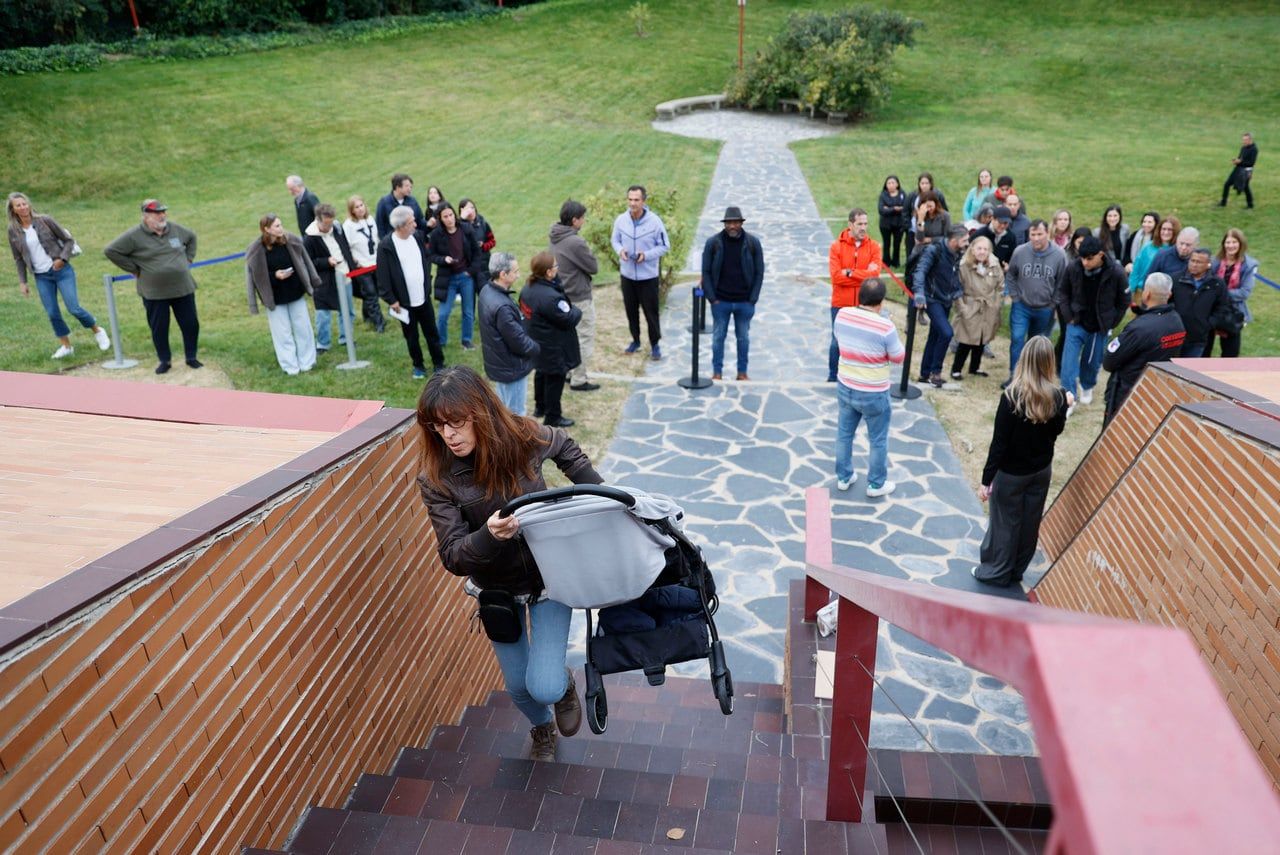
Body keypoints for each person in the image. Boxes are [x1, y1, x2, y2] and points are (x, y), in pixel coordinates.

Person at [415, 366, 599, 762]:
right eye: (438, 427)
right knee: (518, 686)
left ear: (480, 412)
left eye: (457, 423)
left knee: (545, 686)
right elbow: (452, 554)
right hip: (496, 589)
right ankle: (541, 727)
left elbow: (564, 445)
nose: (449, 435)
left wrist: (601, 498)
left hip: (549, 576)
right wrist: (488, 535)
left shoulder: (520, 436)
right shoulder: (437, 478)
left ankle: (563, 685)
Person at [973, 336, 1070, 588]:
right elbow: (1056, 431)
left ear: (1024, 360)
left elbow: (999, 444)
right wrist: (1064, 409)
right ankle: (1016, 571)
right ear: (1050, 362)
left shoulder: (1012, 397)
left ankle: (995, 571)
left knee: (1005, 523)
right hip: (1041, 471)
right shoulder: (1058, 396)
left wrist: (986, 480)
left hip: (1011, 474)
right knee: (1030, 523)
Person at [7, 191, 110, 359]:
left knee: (74, 308)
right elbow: (18, 258)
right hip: (41, 277)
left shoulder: (45, 220)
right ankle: (66, 346)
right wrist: (22, 282)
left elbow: (68, 240)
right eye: (18, 205)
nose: (23, 207)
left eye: (24, 203)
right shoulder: (13, 231)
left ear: (29, 204)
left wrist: (62, 259)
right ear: (13, 210)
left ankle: (97, 330)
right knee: (52, 313)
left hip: (61, 271)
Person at [104, 199, 201, 374]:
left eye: (163, 211)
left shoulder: (176, 229)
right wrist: (133, 269)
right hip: (154, 292)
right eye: (157, 213)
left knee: (190, 324)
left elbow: (192, 237)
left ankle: (191, 357)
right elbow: (111, 251)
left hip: (182, 288)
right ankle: (165, 360)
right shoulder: (134, 236)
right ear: (146, 216)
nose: (162, 215)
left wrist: (189, 258)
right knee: (159, 327)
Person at [833, 277, 904, 498]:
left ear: (859, 296)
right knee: (878, 439)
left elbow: (839, 340)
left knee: (844, 434)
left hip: (846, 384)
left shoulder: (842, 315)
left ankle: (844, 477)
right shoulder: (885, 326)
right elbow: (898, 357)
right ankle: (875, 484)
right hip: (873, 391)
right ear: (880, 302)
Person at [1056, 236, 1129, 411]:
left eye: (1089, 258)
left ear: (1100, 255)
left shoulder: (1116, 272)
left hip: (1099, 327)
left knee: (1091, 362)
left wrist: (1111, 322)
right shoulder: (1073, 267)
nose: (1085, 262)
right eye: (1082, 258)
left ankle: (1087, 386)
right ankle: (1069, 399)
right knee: (1068, 363)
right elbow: (1063, 292)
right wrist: (1068, 316)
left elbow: (1124, 300)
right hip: (1076, 322)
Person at [1102, 273, 1185, 425]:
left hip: (1127, 394)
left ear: (1146, 294)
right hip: (1155, 392)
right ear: (1169, 294)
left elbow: (1109, 361)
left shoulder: (1139, 328)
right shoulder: (1177, 321)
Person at [245, 214, 320, 375]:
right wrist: (275, 276)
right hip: (275, 297)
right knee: (282, 333)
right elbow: (252, 278)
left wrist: (313, 281)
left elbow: (305, 261)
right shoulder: (256, 250)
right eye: (277, 226)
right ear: (267, 229)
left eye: (281, 224)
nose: (281, 228)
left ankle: (307, 362)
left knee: (303, 329)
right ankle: (290, 366)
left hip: (295, 292)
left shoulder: (291, 240)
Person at [376, 205, 445, 379]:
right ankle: (418, 365)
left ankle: (439, 363)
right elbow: (383, 276)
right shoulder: (386, 246)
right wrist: (391, 300)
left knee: (432, 332)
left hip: (423, 297)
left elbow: (426, 259)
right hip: (404, 302)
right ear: (400, 226)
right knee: (411, 336)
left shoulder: (418, 237)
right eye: (411, 221)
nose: (415, 224)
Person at [702, 206, 765, 381]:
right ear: (725, 224)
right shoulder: (713, 243)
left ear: (741, 223)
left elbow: (760, 272)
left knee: (743, 338)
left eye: (735, 222)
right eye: (729, 222)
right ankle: (717, 372)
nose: (732, 226)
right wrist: (712, 298)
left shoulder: (752, 243)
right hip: (720, 301)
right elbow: (705, 271)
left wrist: (753, 299)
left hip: (744, 301)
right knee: (718, 338)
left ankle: (742, 372)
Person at [520, 251, 582, 428]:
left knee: (540, 373)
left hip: (536, 342)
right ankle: (553, 416)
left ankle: (540, 407)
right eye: (555, 266)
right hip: (553, 347)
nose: (557, 268)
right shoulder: (551, 297)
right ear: (548, 272)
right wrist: (576, 310)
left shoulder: (527, 288)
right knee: (555, 379)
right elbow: (569, 318)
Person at [1003, 219, 1067, 383]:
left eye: (1040, 234)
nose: (1036, 238)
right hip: (1022, 306)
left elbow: (1062, 283)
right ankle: (1014, 377)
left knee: (1036, 345)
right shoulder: (1020, 251)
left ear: (1047, 234)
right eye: (1033, 234)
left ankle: (1031, 379)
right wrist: (1015, 297)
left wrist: (1053, 304)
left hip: (1045, 308)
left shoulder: (1059, 255)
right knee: (1017, 339)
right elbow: (1011, 275)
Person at [611, 185, 669, 360]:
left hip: (648, 277)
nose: (632, 203)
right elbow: (615, 240)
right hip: (627, 275)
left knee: (651, 312)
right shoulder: (621, 220)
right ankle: (635, 340)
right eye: (630, 199)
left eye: (636, 200)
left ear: (644, 201)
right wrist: (620, 250)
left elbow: (665, 246)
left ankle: (655, 344)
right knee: (631, 310)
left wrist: (647, 256)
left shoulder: (655, 222)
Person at [478, 252, 539, 414]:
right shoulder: (502, 306)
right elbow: (517, 340)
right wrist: (535, 348)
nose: (519, 275)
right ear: (503, 274)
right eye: (515, 271)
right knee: (516, 414)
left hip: (499, 364)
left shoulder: (486, 290)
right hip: (511, 368)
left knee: (504, 410)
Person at [549, 199, 600, 391]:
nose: (584, 221)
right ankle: (579, 378)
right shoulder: (576, 241)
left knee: (568, 337)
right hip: (579, 296)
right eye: (582, 218)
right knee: (584, 336)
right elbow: (593, 267)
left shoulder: (555, 235)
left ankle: (569, 372)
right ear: (574, 220)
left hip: (563, 295)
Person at [827, 208, 883, 382]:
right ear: (850, 224)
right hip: (841, 303)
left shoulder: (874, 247)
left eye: (866, 223)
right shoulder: (836, 247)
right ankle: (833, 376)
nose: (863, 227)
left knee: (863, 342)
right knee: (837, 341)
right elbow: (836, 277)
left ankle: (857, 376)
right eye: (860, 224)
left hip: (864, 304)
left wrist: (850, 273)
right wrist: (863, 275)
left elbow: (874, 276)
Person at [912, 225, 969, 388]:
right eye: (964, 240)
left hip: (946, 300)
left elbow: (953, 274)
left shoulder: (957, 253)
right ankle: (935, 372)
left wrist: (957, 292)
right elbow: (920, 271)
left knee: (935, 336)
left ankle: (925, 373)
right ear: (954, 240)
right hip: (931, 299)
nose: (967, 243)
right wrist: (919, 293)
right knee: (946, 332)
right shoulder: (934, 250)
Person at [304, 203, 358, 353]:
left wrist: (351, 261)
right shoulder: (310, 238)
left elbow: (344, 246)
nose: (329, 227)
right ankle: (323, 343)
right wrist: (326, 262)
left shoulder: (337, 227)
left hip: (344, 275)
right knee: (323, 313)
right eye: (326, 224)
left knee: (347, 310)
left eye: (331, 223)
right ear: (318, 220)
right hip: (324, 281)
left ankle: (346, 338)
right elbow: (308, 262)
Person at [427, 203, 481, 351]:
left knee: (468, 312)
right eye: (445, 216)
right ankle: (441, 341)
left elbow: (477, 253)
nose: (450, 219)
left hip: (465, 276)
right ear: (440, 218)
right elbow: (431, 255)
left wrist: (470, 271)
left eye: (451, 215)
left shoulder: (466, 229)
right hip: (447, 278)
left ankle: (466, 340)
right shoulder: (437, 235)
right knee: (443, 314)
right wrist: (443, 259)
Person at [951, 236, 1003, 379]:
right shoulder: (963, 266)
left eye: (985, 249)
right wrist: (963, 309)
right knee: (966, 341)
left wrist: (996, 305)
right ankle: (956, 369)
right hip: (970, 305)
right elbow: (957, 289)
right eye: (979, 248)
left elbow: (1000, 286)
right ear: (972, 249)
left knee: (981, 339)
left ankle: (975, 367)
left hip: (988, 307)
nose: (982, 252)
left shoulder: (994, 264)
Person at [1203, 228, 1258, 358]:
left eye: (1234, 242)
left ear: (1240, 244)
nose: (1231, 245)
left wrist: (1221, 294)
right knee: (1204, 350)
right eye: (1228, 242)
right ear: (1223, 244)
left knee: (1230, 354)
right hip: (1212, 310)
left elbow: (1244, 292)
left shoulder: (1249, 265)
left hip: (1233, 312)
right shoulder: (1214, 262)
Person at [1170, 248, 1229, 358]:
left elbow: (1222, 307)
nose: (1194, 265)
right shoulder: (1175, 280)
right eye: (1192, 261)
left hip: (1198, 339)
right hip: (1174, 337)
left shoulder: (1217, 284)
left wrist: (1209, 324)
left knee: (1190, 372)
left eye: (1199, 262)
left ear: (1208, 264)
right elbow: (1167, 303)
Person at [342, 195, 385, 332]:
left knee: (375, 291)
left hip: (375, 262)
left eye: (361, 205)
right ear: (352, 210)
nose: (360, 209)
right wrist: (354, 261)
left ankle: (367, 316)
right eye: (356, 207)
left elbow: (376, 239)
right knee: (371, 293)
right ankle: (379, 323)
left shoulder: (370, 219)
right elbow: (346, 246)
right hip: (361, 266)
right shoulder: (348, 225)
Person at [1128, 216, 1180, 301]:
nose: (1166, 232)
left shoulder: (1177, 250)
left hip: (1166, 294)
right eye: (1163, 229)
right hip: (1143, 290)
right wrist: (1132, 288)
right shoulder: (1148, 247)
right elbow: (1137, 268)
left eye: (1170, 230)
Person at [904, 172, 947, 260]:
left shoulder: (938, 195)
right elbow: (905, 211)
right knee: (912, 255)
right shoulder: (913, 195)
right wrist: (908, 226)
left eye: (926, 183)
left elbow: (944, 211)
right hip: (914, 229)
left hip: (931, 232)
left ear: (931, 184)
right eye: (922, 183)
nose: (924, 186)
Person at [375, 173, 425, 240]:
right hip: (392, 242)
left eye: (410, 186)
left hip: (411, 240)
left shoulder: (413, 201)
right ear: (397, 187)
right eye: (407, 186)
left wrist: (428, 224)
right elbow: (380, 225)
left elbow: (420, 221)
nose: (409, 189)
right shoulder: (384, 203)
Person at [459, 198, 496, 288]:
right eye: (467, 209)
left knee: (485, 291)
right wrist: (462, 220)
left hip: (484, 265)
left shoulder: (483, 223)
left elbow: (492, 241)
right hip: (468, 268)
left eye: (472, 208)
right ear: (461, 211)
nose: (471, 211)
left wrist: (483, 246)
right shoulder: (458, 227)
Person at [877, 175, 908, 267]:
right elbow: (881, 210)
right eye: (889, 183)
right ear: (886, 185)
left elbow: (906, 208)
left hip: (899, 224)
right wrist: (894, 209)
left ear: (897, 184)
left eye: (893, 183)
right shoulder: (883, 195)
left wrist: (889, 208)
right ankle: (886, 262)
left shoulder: (902, 194)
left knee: (897, 244)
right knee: (886, 244)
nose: (891, 185)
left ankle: (896, 262)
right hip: (885, 225)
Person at [1219, 132, 1257, 209]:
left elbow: (1251, 163)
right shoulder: (1243, 148)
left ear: (1250, 140)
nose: (1244, 141)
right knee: (1227, 184)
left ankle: (1250, 205)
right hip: (1238, 169)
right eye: (1243, 140)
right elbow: (1240, 158)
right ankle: (1223, 202)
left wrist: (1240, 162)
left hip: (1246, 171)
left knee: (1246, 187)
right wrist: (1236, 161)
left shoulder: (1254, 149)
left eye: (1245, 140)